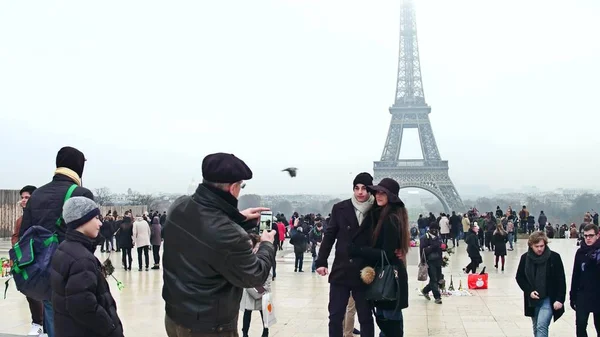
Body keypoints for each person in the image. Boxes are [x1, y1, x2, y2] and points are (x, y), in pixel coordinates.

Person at [162, 153, 275, 337]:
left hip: (175, 316)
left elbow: (203, 227)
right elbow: (255, 276)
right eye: (241, 186)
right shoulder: (229, 235)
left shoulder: (178, 206)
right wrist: (267, 244)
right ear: (232, 188)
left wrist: (238, 217)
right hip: (209, 326)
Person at [19, 146, 94, 337]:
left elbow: (24, 235)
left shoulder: (36, 195)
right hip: (72, 271)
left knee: (52, 315)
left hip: (43, 271)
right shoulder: (81, 193)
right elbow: (91, 239)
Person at [50, 197, 123, 337]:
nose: (100, 223)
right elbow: (83, 306)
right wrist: (110, 328)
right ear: (82, 220)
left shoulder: (65, 248)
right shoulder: (82, 259)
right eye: (96, 218)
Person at [314, 172, 377, 337]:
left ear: (370, 190)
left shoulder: (377, 211)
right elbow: (329, 236)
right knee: (335, 316)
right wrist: (321, 261)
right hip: (342, 269)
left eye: (364, 188)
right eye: (357, 188)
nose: (360, 192)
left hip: (364, 271)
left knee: (365, 317)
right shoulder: (340, 208)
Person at [349, 178, 410, 336]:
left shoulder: (390, 219)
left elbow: (387, 253)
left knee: (389, 325)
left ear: (392, 196)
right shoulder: (388, 215)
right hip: (390, 277)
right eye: (377, 192)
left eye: (383, 193)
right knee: (388, 325)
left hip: (389, 279)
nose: (378, 195)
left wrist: (358, 250)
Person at [516, 231, 566, 337]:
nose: (539, 249)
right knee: (536, 327)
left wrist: (560, 299)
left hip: (548, 297)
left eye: (542, 246)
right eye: (536, 246)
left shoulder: (554, 258)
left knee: (541, 325)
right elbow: (519, 277)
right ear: (531, 245)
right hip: (532, 299)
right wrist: (529, 291)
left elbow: (561, 279)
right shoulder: (525, 258)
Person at [12, 185, 45, 336]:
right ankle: (37, 322)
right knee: (30, 292)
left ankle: (42, 323)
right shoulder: (20, 220)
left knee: (42, 293)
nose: (23, 200)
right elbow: (15, 237)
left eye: (27, 197)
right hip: (25, 261)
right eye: (22, 197)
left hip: (39, 259)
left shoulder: (41, 216)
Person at [570, 223, 600, 337]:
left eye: (591, 235)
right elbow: (576, 274)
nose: (588, 238)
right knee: (580, 325)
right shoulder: (580, 252)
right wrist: (572, 296)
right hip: (583, 293)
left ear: (597, 235)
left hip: (598, 293)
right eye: (585, 235)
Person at [240, 234, 272, 337]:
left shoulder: (263, 257)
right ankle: (245, 332)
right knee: (247, 313)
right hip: (250, 290)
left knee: (264, 313)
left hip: (262, 291)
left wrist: (262, 290)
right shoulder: (246, 257)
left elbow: (268, 275)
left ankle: (265, 332)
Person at [420, 223, 444, 304]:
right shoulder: (424, 238)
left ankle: (425, 290)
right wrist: (433, 247)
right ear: (430, 229)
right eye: (433, 229)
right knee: (433, 279)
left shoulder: (438, 237)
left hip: (438, 261)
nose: (435, 231)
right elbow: (423, 251)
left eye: (436, 229)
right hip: (430, 262)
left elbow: (441, 248)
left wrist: (444, 247)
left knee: (438, 279)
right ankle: (437, 297)